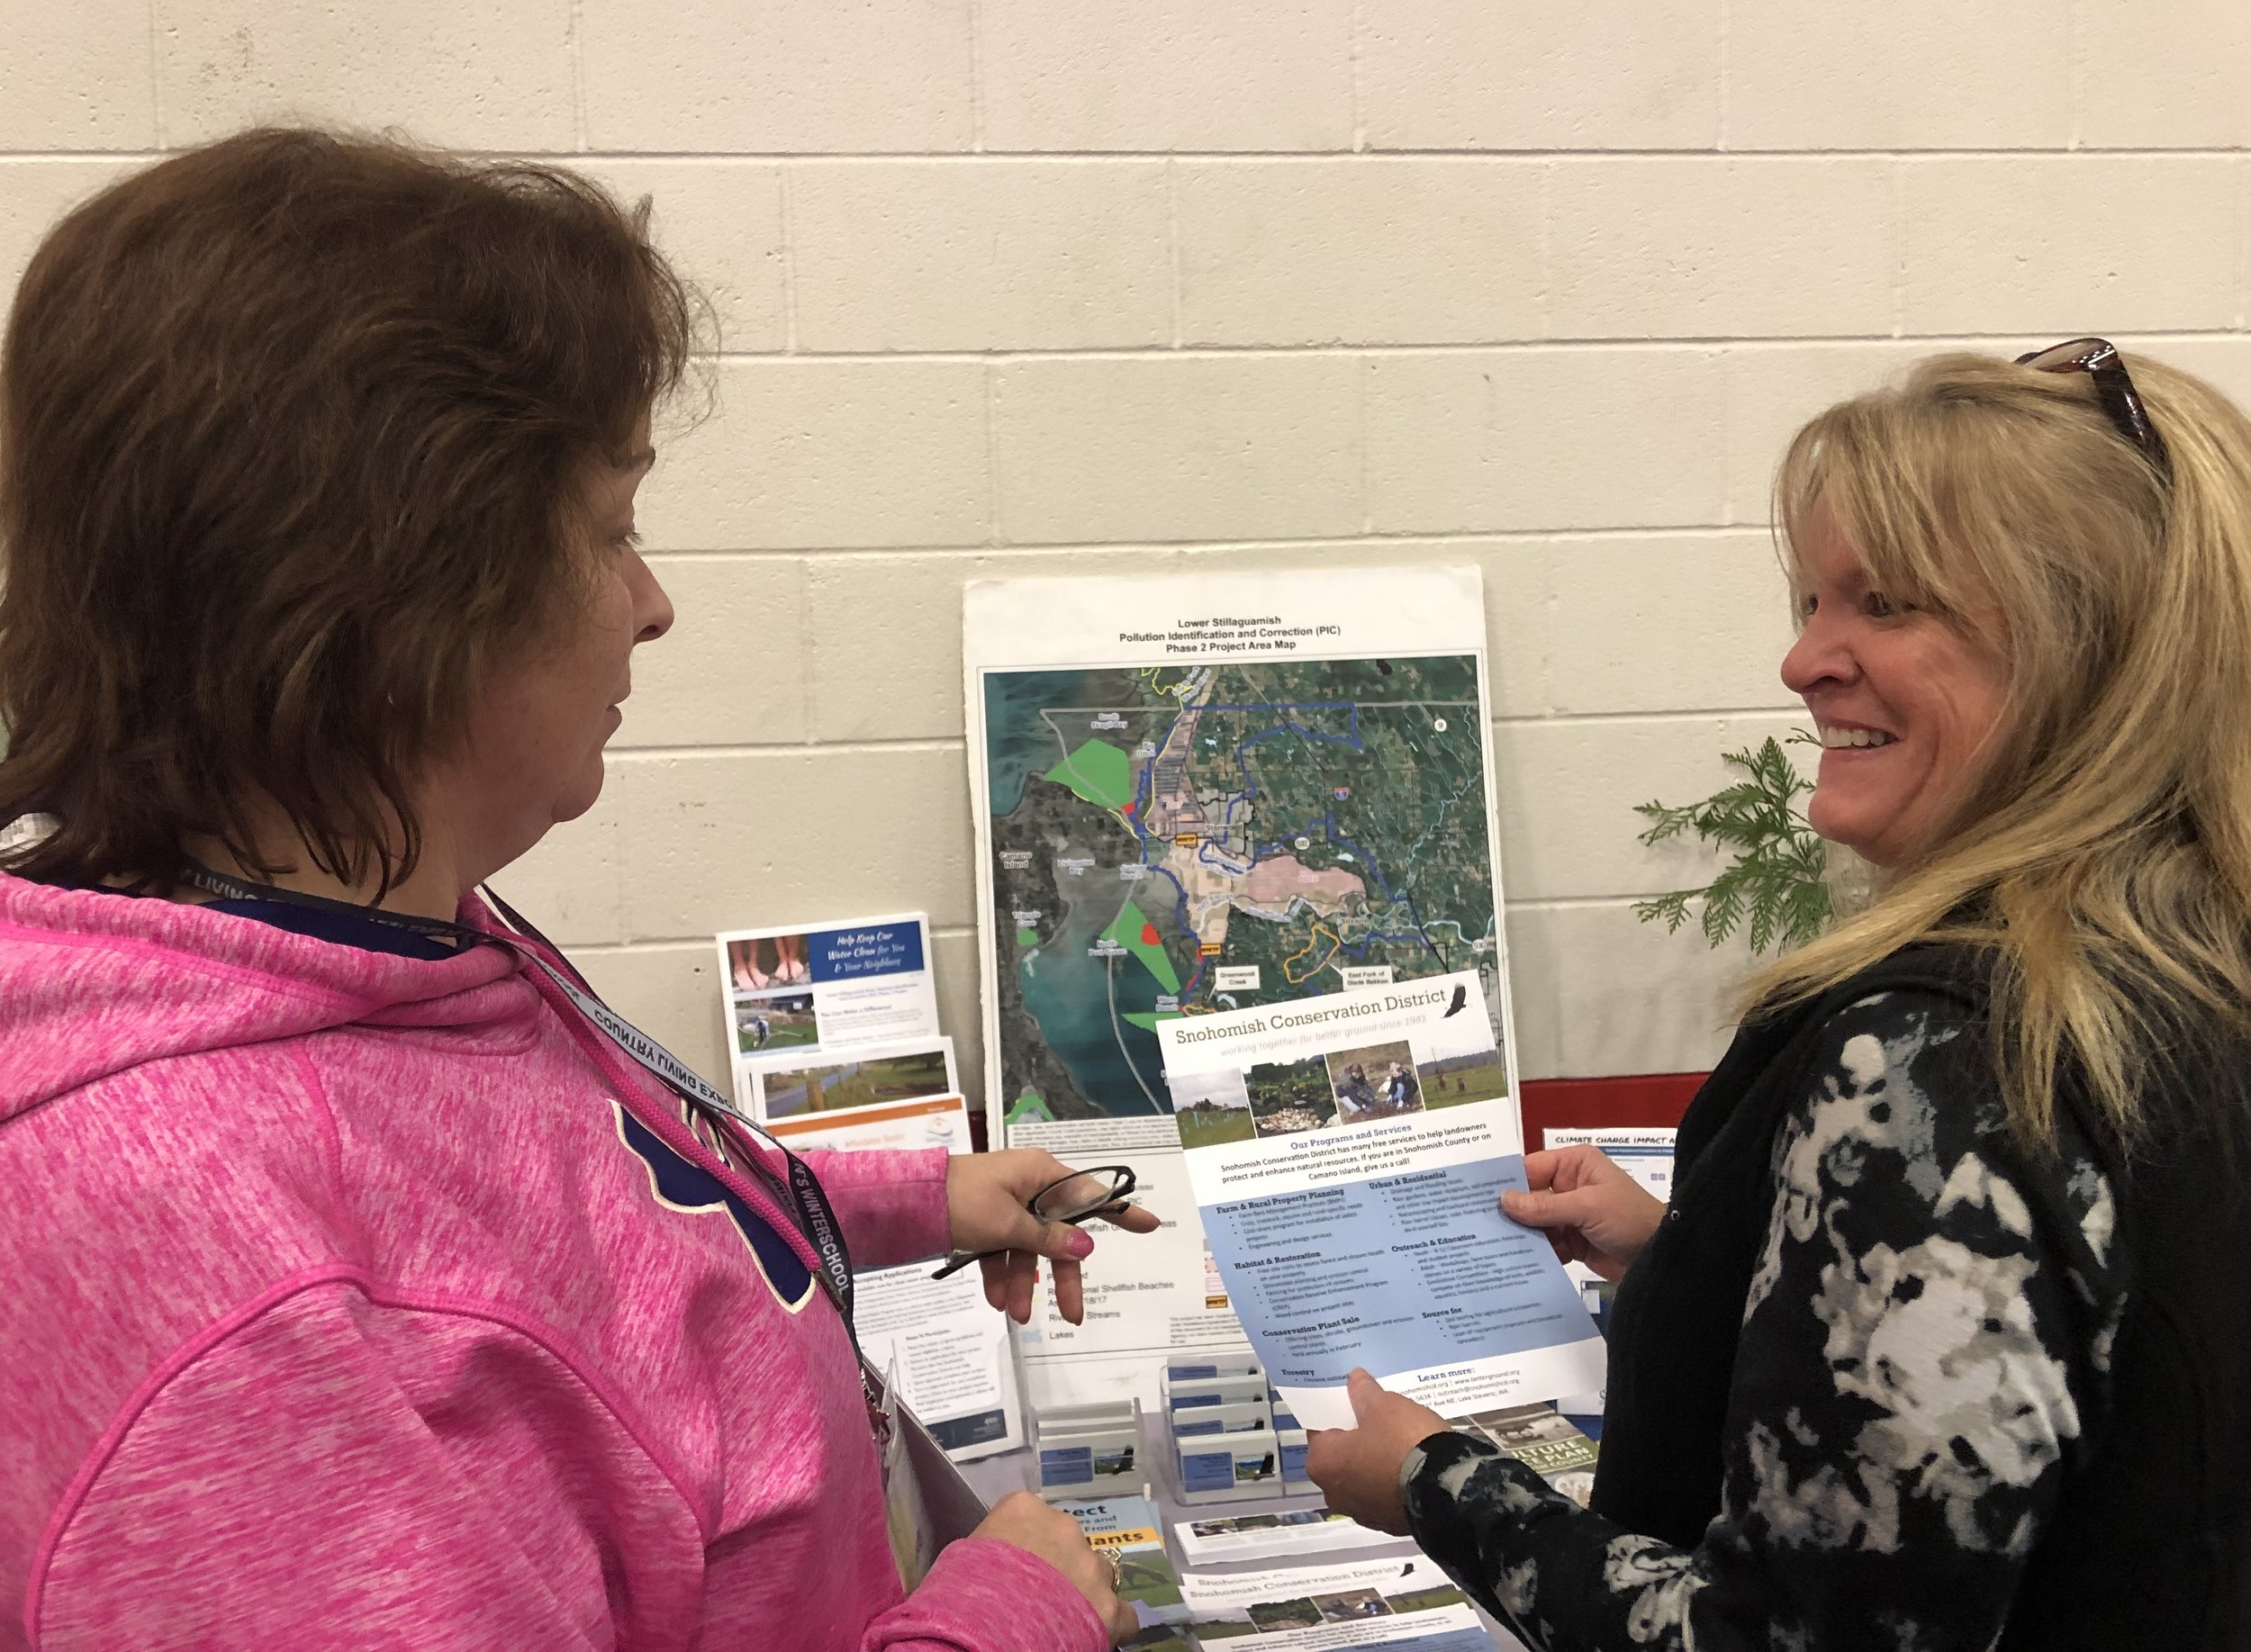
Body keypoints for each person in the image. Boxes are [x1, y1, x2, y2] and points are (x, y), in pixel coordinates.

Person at [0, 130, 1151, 1652]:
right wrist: (1008, 1620)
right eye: (610, 528)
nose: (653, 603)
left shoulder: (367, 935)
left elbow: (577, 1217)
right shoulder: (238, 1331)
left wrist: (909, 1195)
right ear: (400, 600)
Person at [1309, 345, 2251, 1649]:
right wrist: (1708, 1258)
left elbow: (1779, 1641)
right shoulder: (2181, 973)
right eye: (1813, 599)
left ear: (2089, 651)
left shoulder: (1940, 1066)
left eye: (1889, 604)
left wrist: (1440, 1487)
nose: (1806, 658)